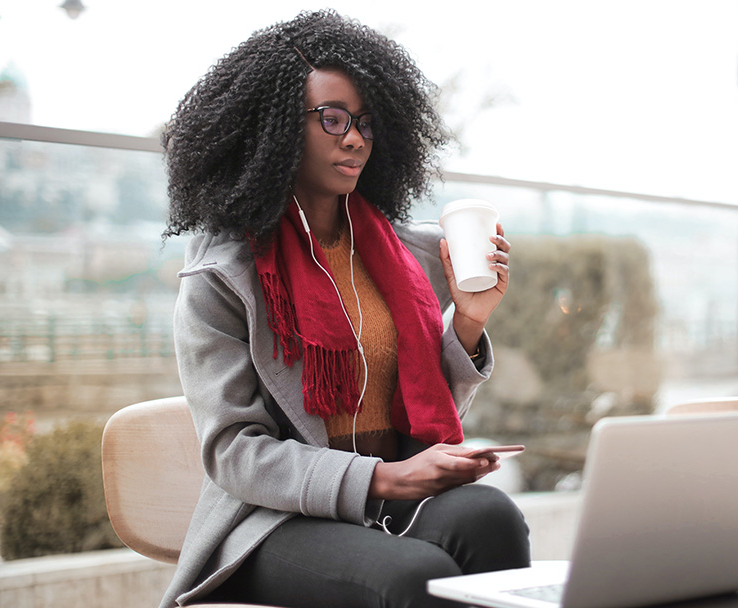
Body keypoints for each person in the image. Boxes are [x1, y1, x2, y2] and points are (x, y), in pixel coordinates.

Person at [159, 10, 529, 608]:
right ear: (275, 127)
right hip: (274, 520)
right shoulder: (221, 274)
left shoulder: (406, 254)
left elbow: (420, 405)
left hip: (388, 493)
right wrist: (382, 478)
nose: (354, 138)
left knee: (492, 517)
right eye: (332, 119)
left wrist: (468, 319)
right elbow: (234, 452)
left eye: (365, 123)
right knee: (412, 575)